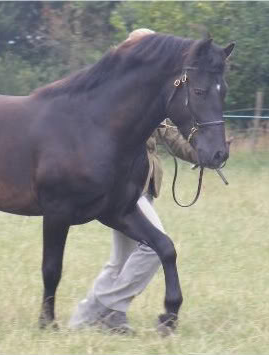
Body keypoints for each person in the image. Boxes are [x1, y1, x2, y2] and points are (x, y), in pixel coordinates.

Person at [68, 28, 199, 334]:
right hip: (123, 186)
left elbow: (172, 137)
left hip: (145, 184)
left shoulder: (154, 96)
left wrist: (202, 154)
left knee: (120, 260)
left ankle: (103, 319)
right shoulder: (115, 96)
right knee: (155, 247)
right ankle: (99, 308)